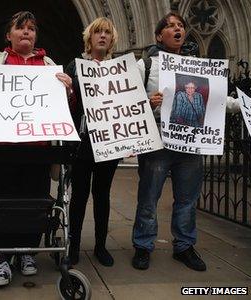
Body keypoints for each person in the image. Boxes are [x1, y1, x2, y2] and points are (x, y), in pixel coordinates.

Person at [0, 11, 73, 287]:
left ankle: (27, 252)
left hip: (37, 151)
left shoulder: (49, 67)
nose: (27, 32)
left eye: (31, 28)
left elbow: (64, 111)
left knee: (34, 203)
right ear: (8, 35)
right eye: (20, 28)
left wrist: (68, 93)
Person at [132, 12, 207, 272]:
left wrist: (241, 105)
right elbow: (127, 99)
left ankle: (184, 246)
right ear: (159, 35)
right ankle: (143, 246)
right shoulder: (147, 65)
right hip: (158, 143)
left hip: (190, 144)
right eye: (170, 26)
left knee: (187, 199)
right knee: (149, 197)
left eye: (180, 26)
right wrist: (147, 102)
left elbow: (216, 102)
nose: (177, 29)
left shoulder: (198, 66)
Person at [64, 17, 119, 267]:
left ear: (112, 39)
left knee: (102, 194)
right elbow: (66, 105)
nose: (103, 36)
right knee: (79, 196)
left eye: (107, 32)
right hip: (82, 141)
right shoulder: (74, 67)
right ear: (89, 37)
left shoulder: (120, 68)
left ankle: (100, 246)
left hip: (109, 141)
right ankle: (73, 245)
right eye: (98, 32)